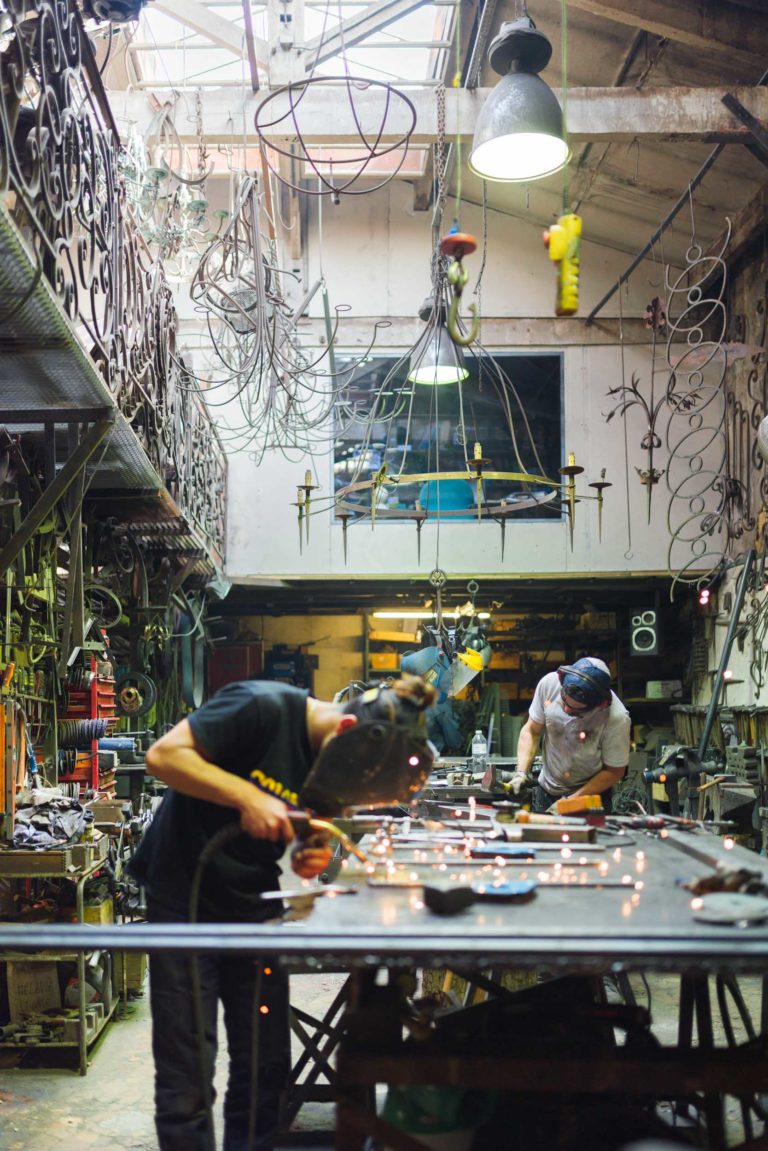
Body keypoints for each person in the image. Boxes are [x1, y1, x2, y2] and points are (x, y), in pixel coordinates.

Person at [129, 673, 436, 1151]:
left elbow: (307, 836)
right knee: (187, 1068)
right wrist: (248, 796)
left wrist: (307, 855)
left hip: (252, 895)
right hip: (183, 893)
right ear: (347, 728)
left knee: (264, 1064)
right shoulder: (259, 705)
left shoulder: (333, 763)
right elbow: (163, 756)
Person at [510, 657, 630, 813]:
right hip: (547, 791)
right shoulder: (549, 684)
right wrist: (521, 773)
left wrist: (570, 802)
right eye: (564, 702)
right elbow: (532, 731)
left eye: (575, 712)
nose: (566, 710)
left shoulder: (616, 718)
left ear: (599, 706)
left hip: (589, 796)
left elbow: (615, 771)